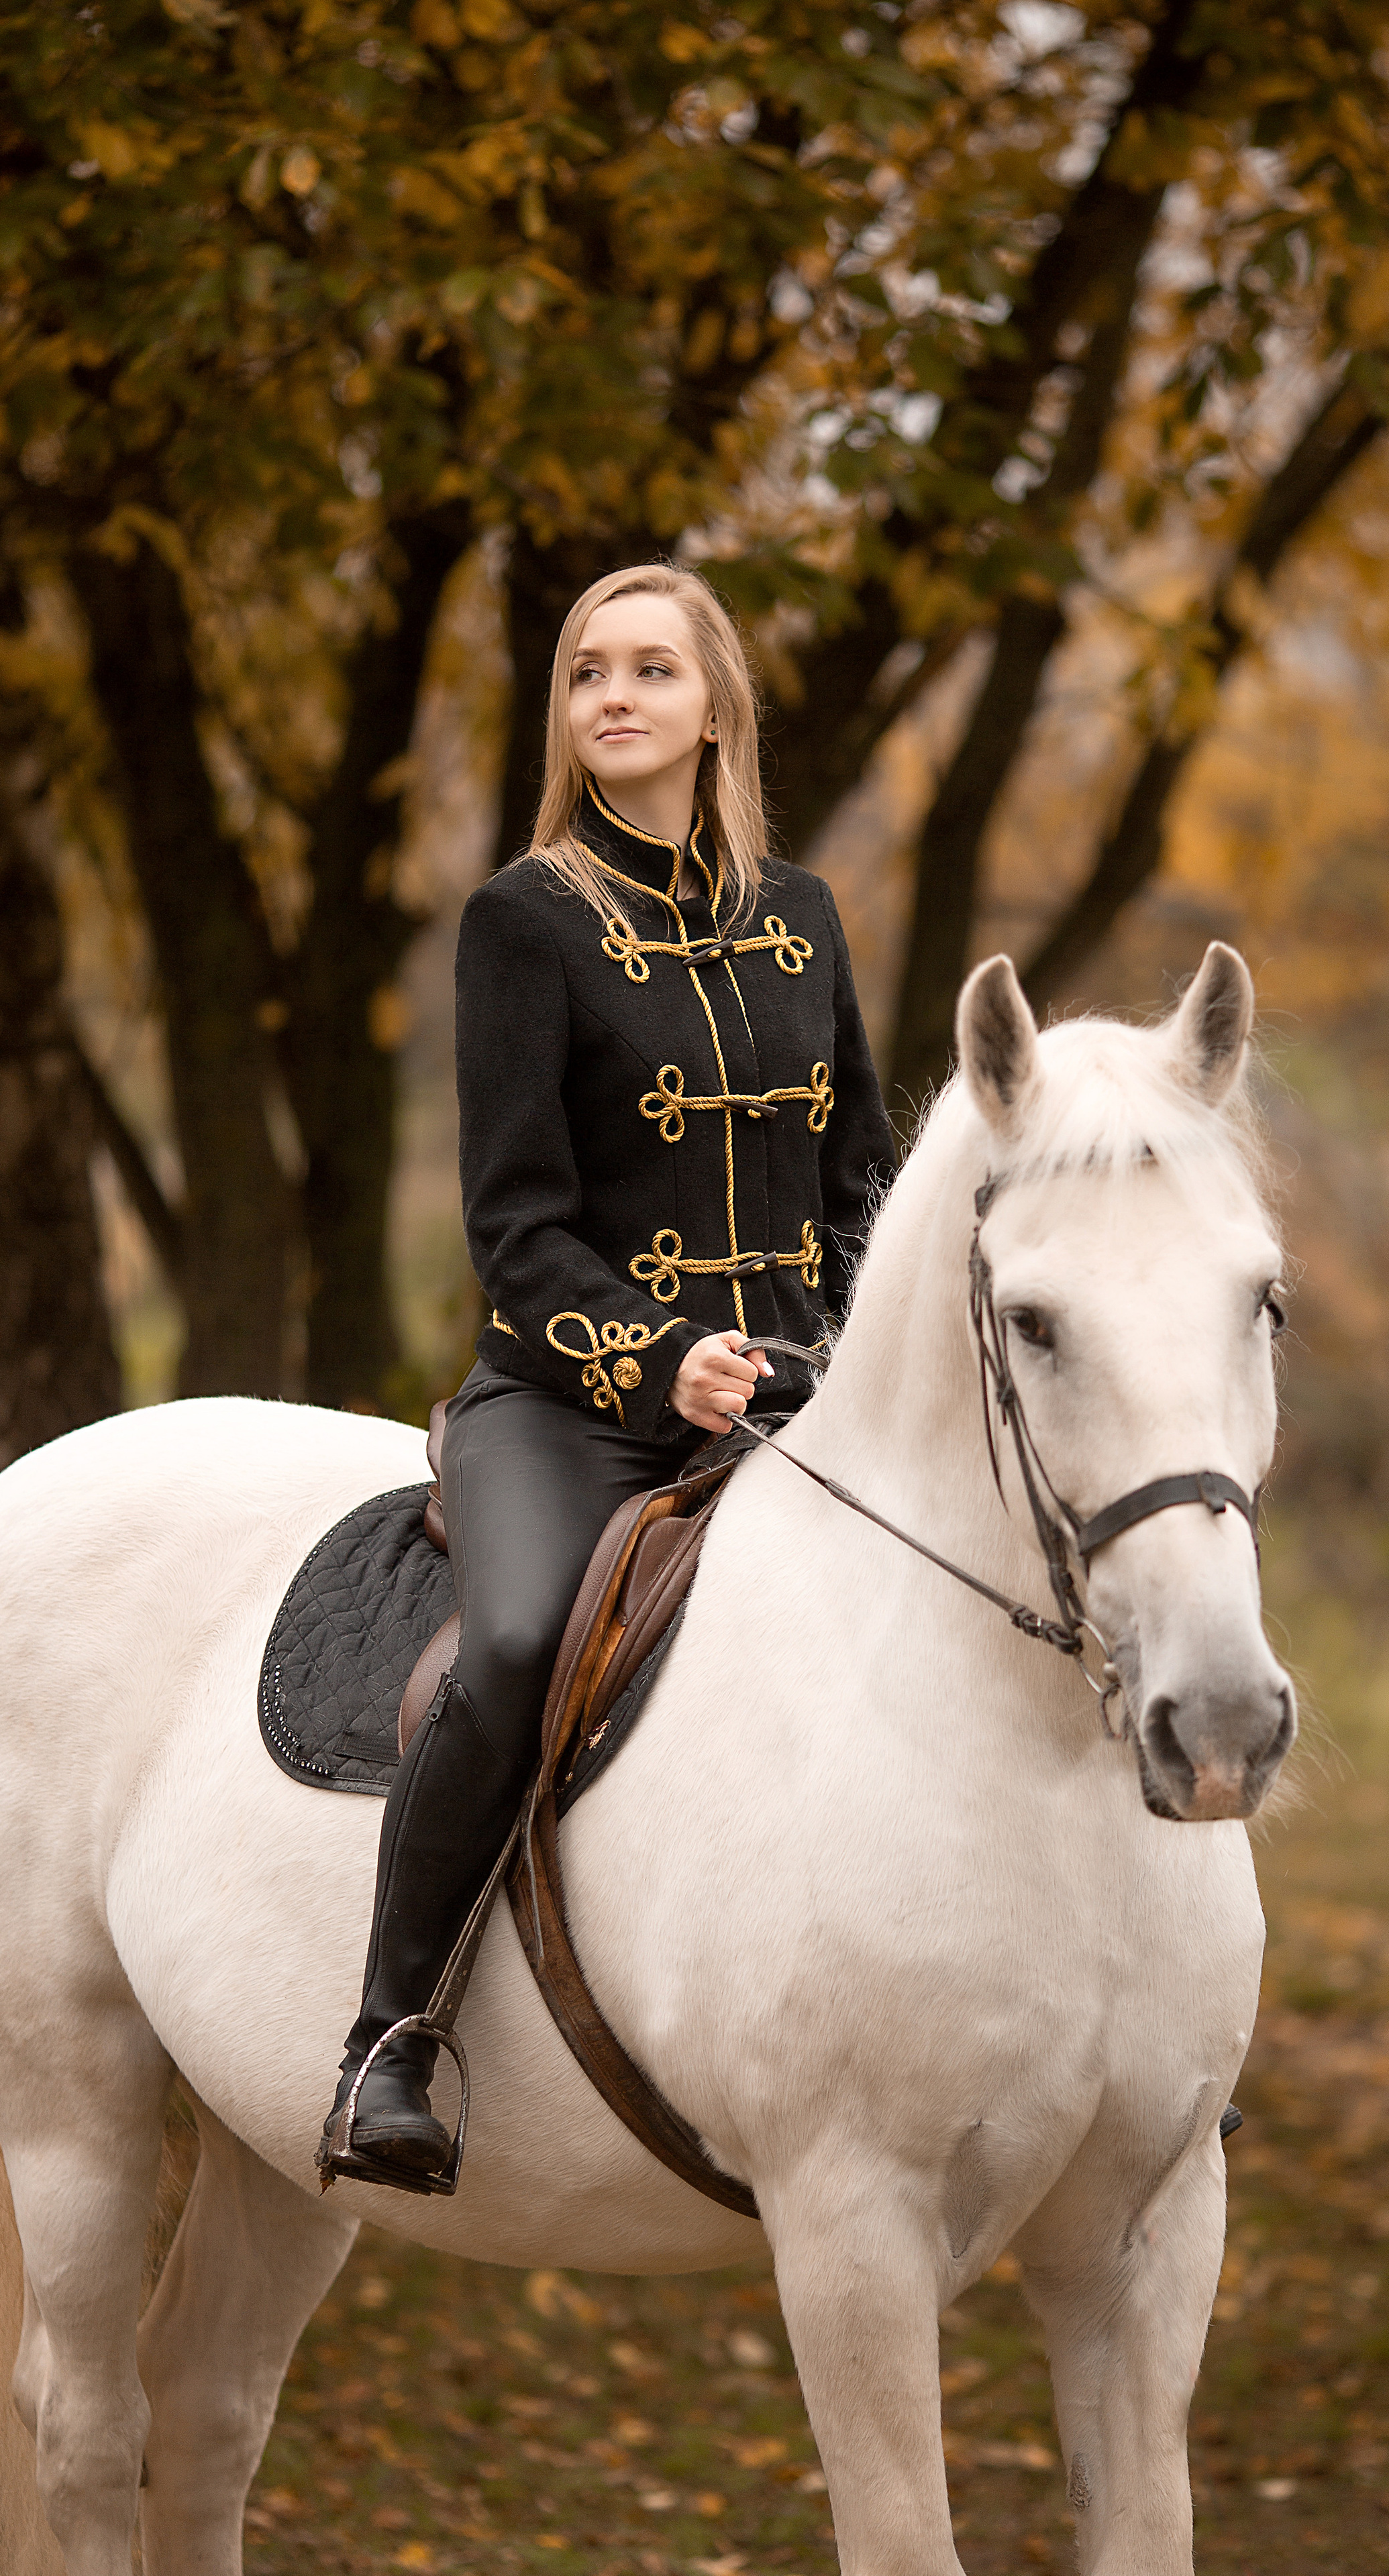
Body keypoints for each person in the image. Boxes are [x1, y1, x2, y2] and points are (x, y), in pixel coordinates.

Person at [318, 561, 897, 2188]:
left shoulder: (803, 915)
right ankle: (387, 2042)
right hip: (569, 1403)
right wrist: (662, 1362)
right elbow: (514, 1227)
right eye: (587, 673)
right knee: (504, 1647)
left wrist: (844, 1355)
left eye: (652, 667)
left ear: (715, 703)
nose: (616, 695)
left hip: (795, 1395)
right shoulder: (523, 923)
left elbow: (857, 1176)